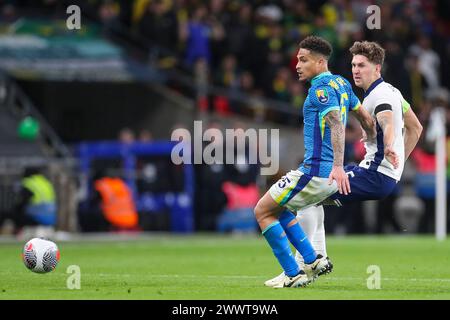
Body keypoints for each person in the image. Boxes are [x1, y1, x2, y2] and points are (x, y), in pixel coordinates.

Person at [265, 41, 423, 287]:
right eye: (353, 65)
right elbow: (415, 127)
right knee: (314, 196)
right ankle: (314, 259)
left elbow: (387, 120)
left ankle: (305, 266)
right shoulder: (393, 91)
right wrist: (398, 164)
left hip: (373, 175)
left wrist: (391, 145)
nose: (356, 70)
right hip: (379, 174)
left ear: (377, 69)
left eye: (362, 65)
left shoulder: (379, 96)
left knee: (310, 194)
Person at [254, 36, 375, 288]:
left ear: (320, 62)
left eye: (303, 60)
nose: (297, 65)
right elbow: (365, 119)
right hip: (325, 176)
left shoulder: (319, 90)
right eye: (297, 59)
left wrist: (339, 166)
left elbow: (335, 124)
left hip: (316, 173)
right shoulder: (342, 83)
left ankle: (292, 273)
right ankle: (313, 259)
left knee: (262, 211)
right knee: (280, 207)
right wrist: (375, 143)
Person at [9, 167, 57, 235]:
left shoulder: (28, 182)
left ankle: (17, 232)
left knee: (15, 212)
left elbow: (24, 201)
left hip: (36, 218)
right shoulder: (45, 181)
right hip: (51, 218)